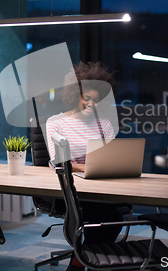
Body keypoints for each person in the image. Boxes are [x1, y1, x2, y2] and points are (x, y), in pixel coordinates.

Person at [46, 61, 122, 271]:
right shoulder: (56, 123)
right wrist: (87, 166)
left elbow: (111, 159)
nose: (91, 103)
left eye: (96, 100)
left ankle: (81, 261)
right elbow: (60, 163)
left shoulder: (104, 123)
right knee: (110, 216)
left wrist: (86, 165)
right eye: (86, 97)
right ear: (74, 95)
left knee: (112, 215)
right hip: (69, 192)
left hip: (100, 187)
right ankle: (85, 263)